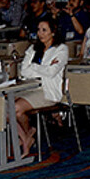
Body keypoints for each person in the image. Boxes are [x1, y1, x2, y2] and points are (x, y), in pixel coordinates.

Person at [15, 19, 69, 154]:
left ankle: (26, 136)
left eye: (44, 30)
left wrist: (33, 67)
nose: (40, 33)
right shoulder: (33, 48)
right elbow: (24, 71)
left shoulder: (61, 49)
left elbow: (52, 72)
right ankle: (26, 136)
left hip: (48, 91)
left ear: (53, 32)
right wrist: (42, 68)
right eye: (39, 30)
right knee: (3, 106)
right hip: (29, 88)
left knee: (15, 108)